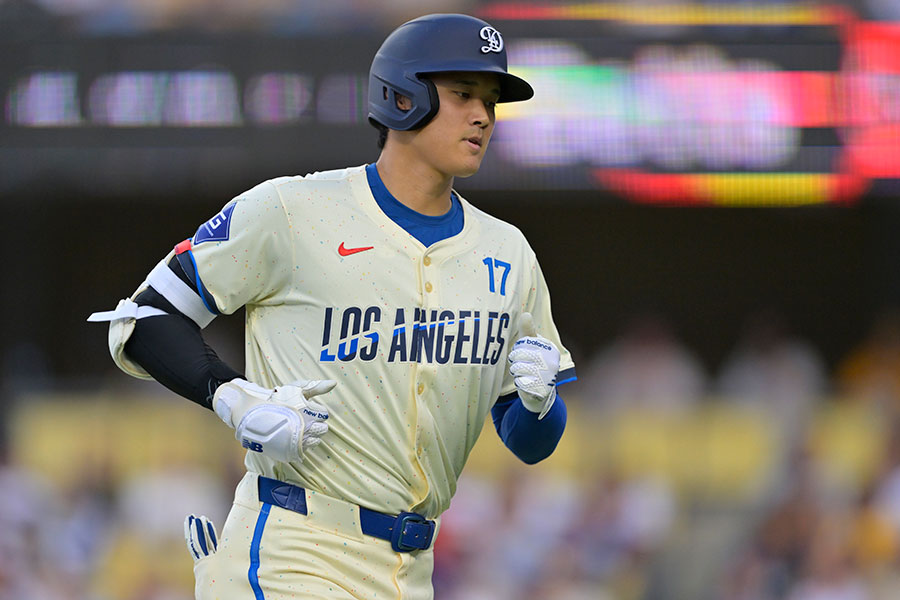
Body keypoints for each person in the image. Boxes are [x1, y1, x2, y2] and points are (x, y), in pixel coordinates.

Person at [89, 13, 576, 600]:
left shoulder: (509, 252)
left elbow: (528, 441)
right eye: (463, 94)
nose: (482, 116)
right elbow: (145, 320)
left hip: (411, 571)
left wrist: (540, 403)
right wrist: (234, 398)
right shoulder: (292, 211)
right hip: (296, 548)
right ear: (402, 98)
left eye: (491, 101)